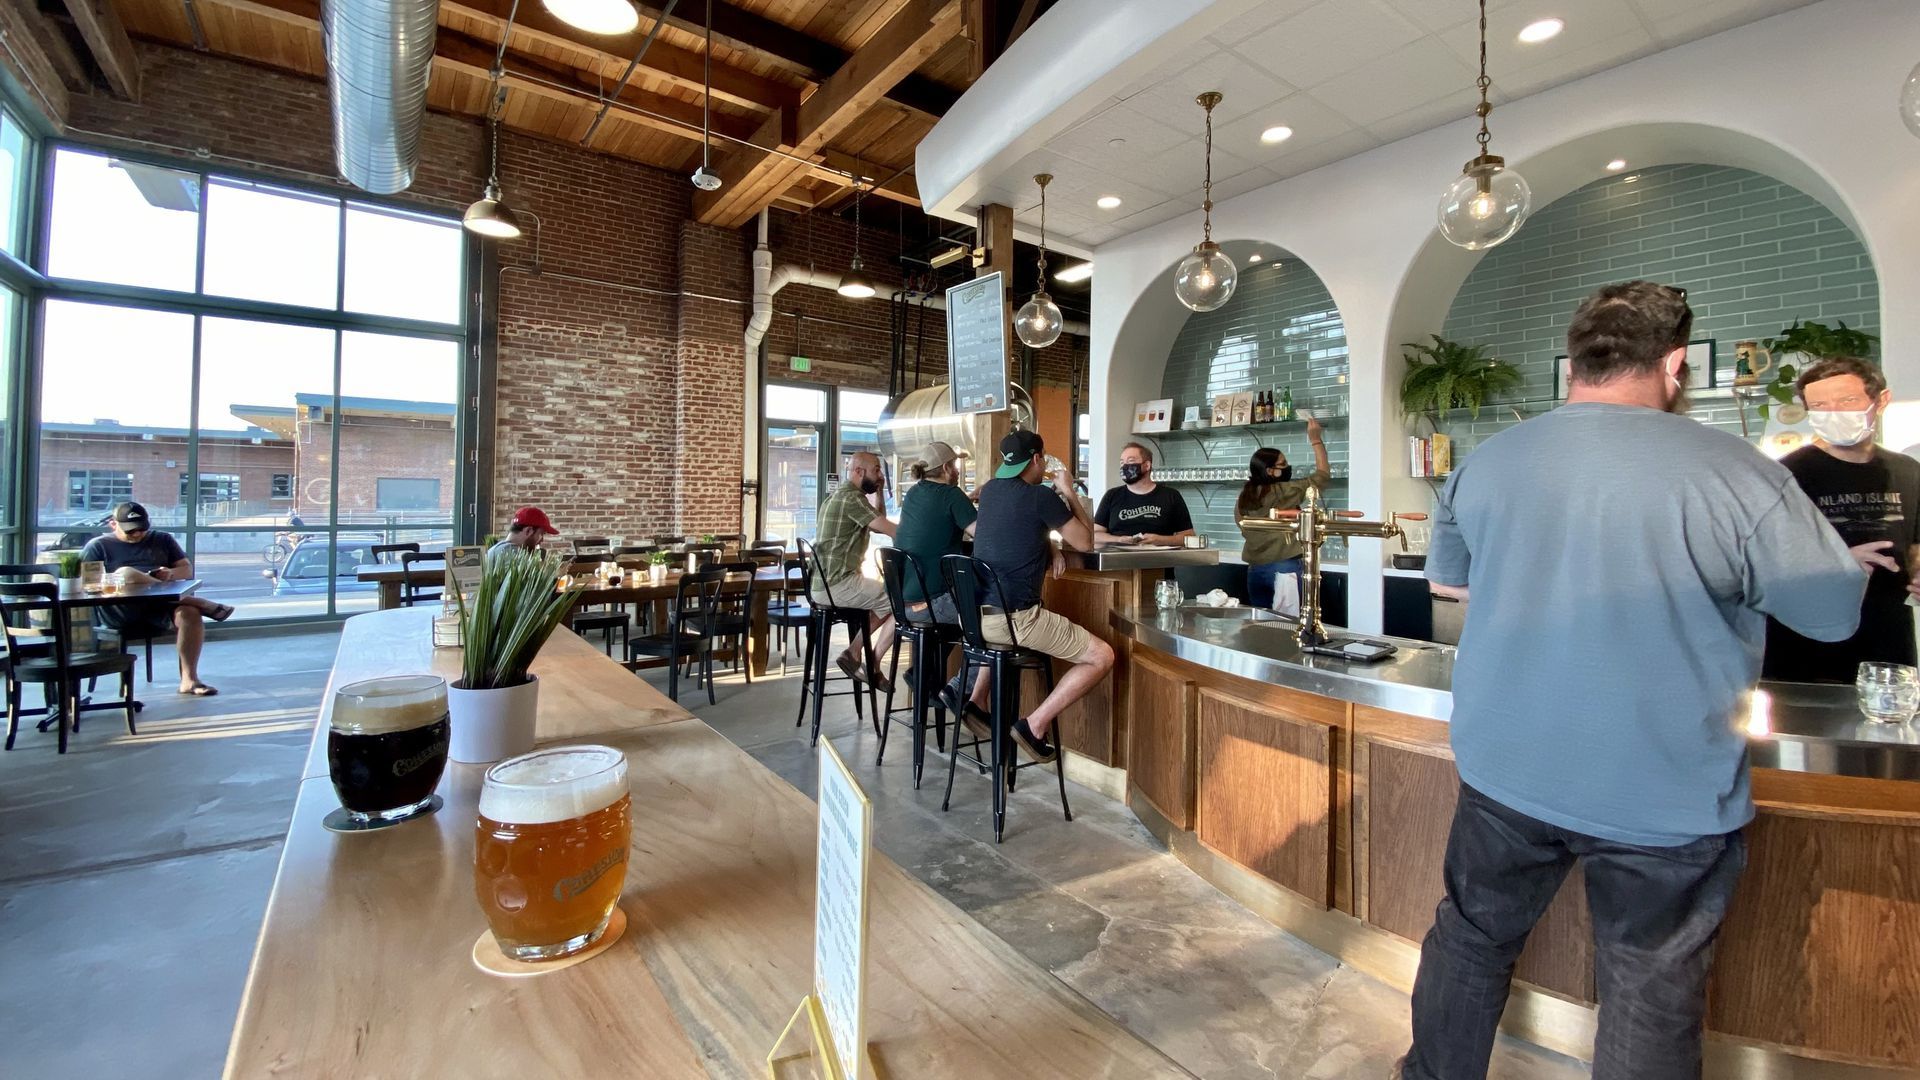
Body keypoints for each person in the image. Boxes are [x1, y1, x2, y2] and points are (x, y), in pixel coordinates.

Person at [1399, 281, 1864, 1080]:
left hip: (1505, 766)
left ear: (1574, 360)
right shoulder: (1739, 471)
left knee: (1470, 939)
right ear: (1675, 362)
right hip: (1663, 786)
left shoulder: (1487, 461)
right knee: (1648, 991)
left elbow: (1450, 582)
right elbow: (1831, 616)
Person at [1762, 355, 1920, 682]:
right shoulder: (1784, 476)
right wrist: (1838, 564)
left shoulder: (1908, 471)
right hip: (1807, 645)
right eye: (1819, 406)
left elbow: (1915, 548)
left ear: (1881, 400)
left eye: (1847, 401)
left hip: (1888, 643)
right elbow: (1762, 567)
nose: (1833, 413)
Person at [968, 430, 1113, 762]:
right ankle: (1034, 725)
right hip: (1017, 619)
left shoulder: (989, 491)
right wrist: (1069, 491)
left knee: (1005, 635)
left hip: (980, 618)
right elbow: (1086, 542)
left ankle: (977, 701)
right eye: (1043, 458)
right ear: (1037, 459)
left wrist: (1049, 546)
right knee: (1102, 656)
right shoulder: (1040, 497)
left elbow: (1016, 529)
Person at [81, 501, 235, 697]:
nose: (137, 534)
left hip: (159, 611)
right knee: (126, 573)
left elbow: (186, 570)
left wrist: (169, 573)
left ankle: (189, 680)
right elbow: (88, 584)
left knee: (189, 613)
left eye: (142, 529)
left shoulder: (162, 539)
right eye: (130, 530)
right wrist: (127, 580)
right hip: (121, 610)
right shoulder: (98, 546)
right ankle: (197, 601)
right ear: (113, 524)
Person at [812, 451, 898, 692]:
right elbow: (890, 530)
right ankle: (862, 656)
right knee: (901, 601)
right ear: (860, 472)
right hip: (837, 584)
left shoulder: (843, 496)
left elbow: (878, 521)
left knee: (889, 599)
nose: (880, 475)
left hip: (826, 583)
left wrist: (880, 490)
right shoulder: (852, 500)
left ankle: (856, 653)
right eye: (877, 470)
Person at [1234, 415, 1330, 610]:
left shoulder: (1245, 495)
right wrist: (1316, 440)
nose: (1287, 468)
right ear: (1271, 471)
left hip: (1255, 570)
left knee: (1263, 627)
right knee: (1290, 627)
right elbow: (1323, 475)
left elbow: (1241, 525)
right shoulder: (1285, 491)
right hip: (1285, 568)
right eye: (1283, 464)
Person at [893, 441, 976, 625]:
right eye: (954, 465)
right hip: (933, 604)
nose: (957, 471)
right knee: (992, 608)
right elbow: (982, 536)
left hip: (902, 603)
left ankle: (935, 654)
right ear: (946, 468)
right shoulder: (952, 495)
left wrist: (967, 501)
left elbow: (936, 517)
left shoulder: (913, 493)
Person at [1092, 442, 1194, 546]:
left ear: (1147, 465)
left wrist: (1161, 540)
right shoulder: (1112, 495)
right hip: (1118, 559)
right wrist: (1119, 539)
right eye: (1122, 463)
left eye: (1131, 461)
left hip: (1160, 559)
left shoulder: (1171, 496)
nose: (1125, 466)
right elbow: (1094, 535)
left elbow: (1189, 537)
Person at [489, 507, 559, 561]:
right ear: (529, 531)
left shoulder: (496, 549)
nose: (542, 540)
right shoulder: (510, 552)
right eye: (541, 534)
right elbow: (534, 576)